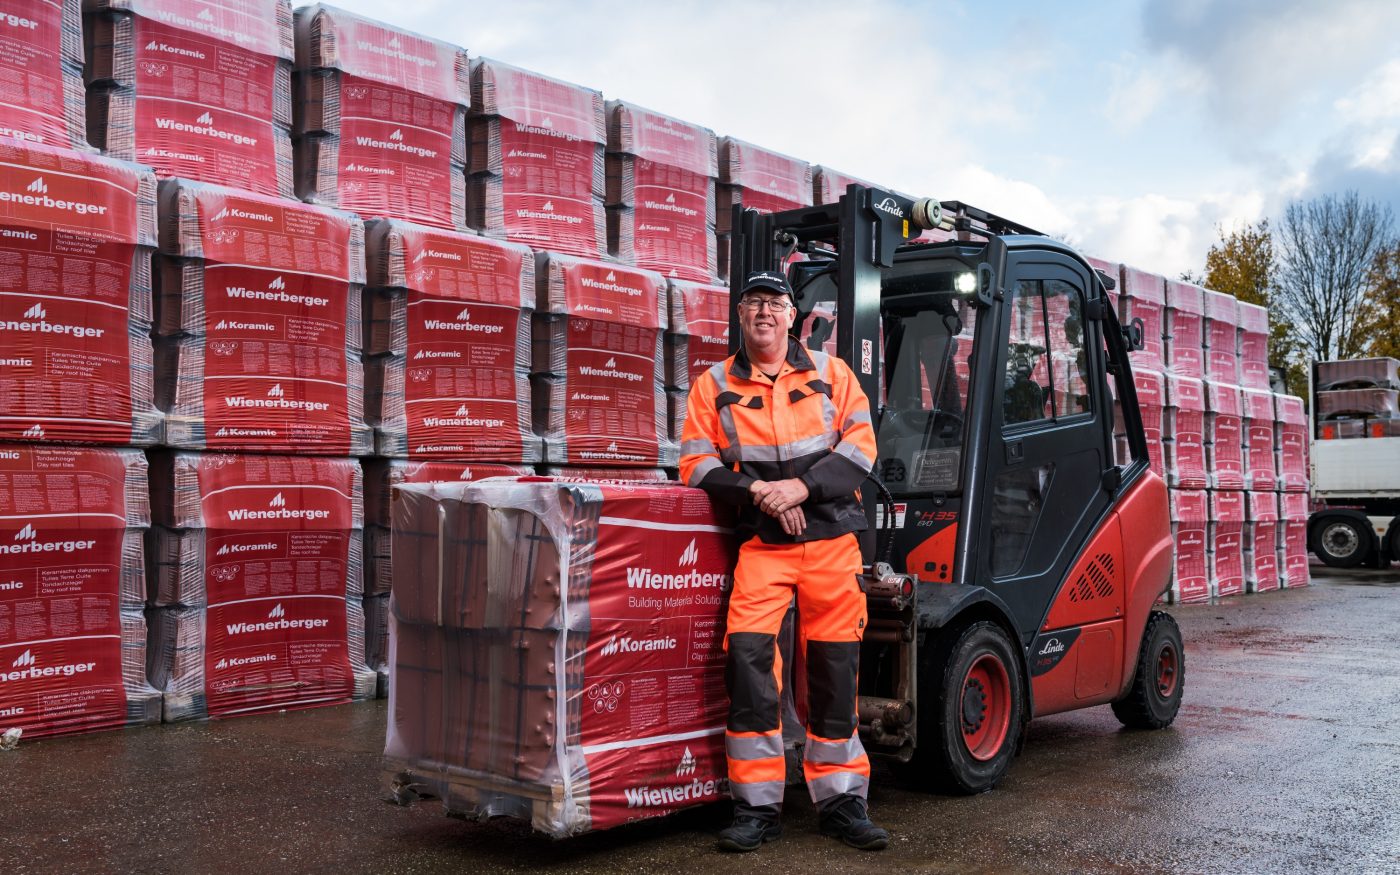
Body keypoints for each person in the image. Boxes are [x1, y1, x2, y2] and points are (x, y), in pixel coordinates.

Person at [679, 270, 889, 852]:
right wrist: (759, 494)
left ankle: (842, 802)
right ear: (740, 316)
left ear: (793, 315)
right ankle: (757, 808)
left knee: (833, 671)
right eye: (753, 303)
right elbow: (696, 464)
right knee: (749, 667)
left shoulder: (830, 372)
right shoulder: (713, 383)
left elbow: (861, 447)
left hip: (831, 543)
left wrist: (800, 490)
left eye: (775, 303)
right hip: (764, 546)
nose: (764, 312)